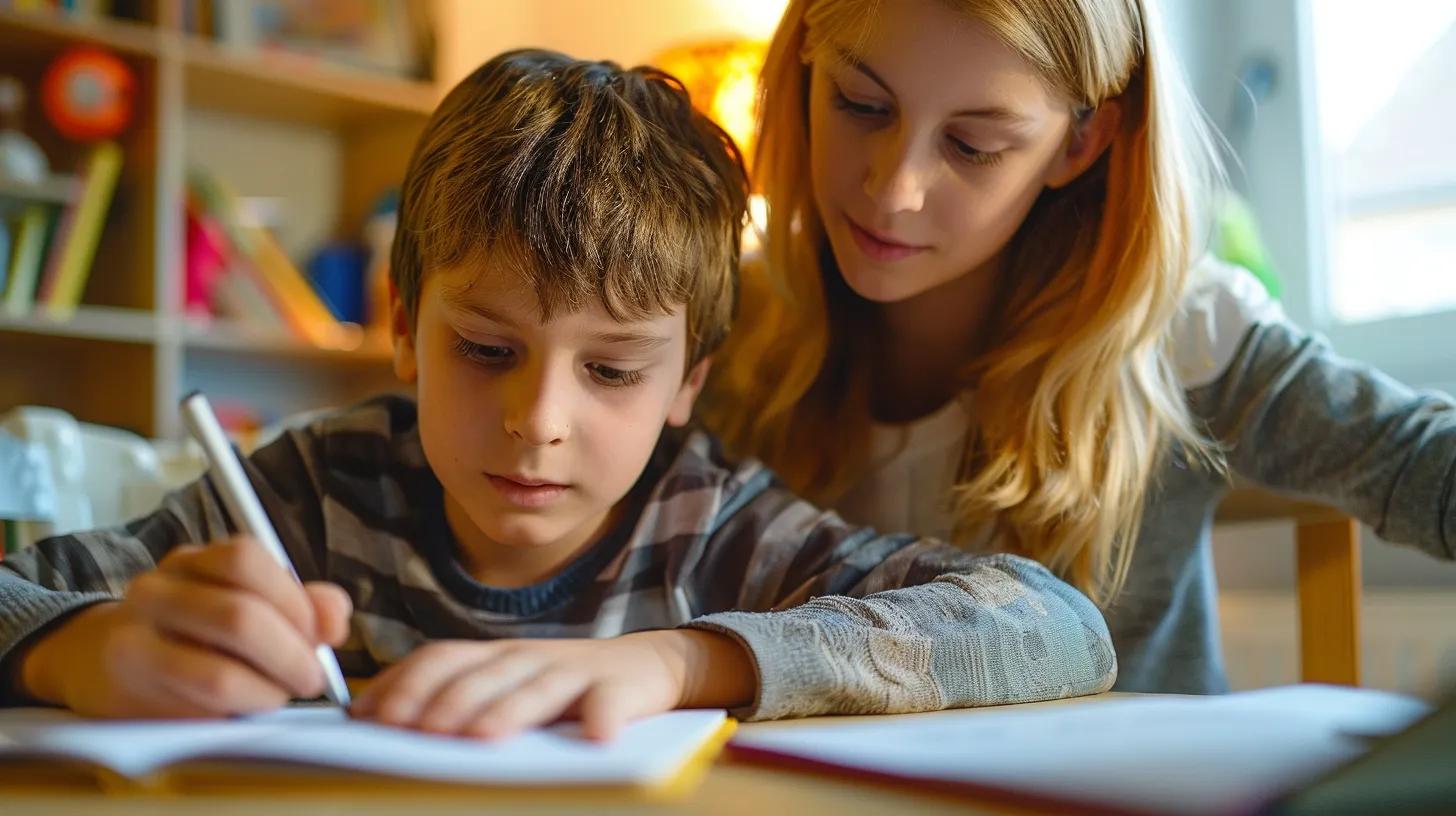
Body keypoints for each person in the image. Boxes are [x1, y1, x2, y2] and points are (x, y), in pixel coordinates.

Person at [0, 49, 1115, 741]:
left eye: (613, 371)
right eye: (487, 349)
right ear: (404, 329)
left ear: (689, 381)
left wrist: (679, 660)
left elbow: (1054, 626)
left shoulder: (712, 527)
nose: (538, 421)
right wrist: (77, 650)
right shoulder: (310, 493)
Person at [702, 0, 1456, 694]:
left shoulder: (1185, 339)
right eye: (861, 104)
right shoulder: (715, 332)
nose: (895, 189)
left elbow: (1425, 462)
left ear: (1081, 143)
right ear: (803, 65)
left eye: (972, 145)